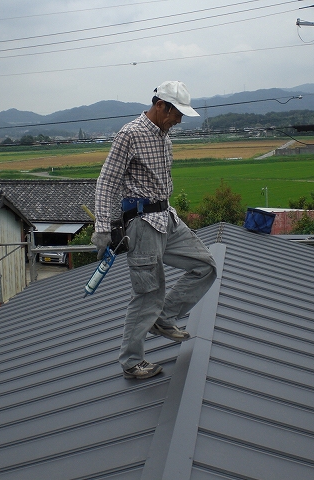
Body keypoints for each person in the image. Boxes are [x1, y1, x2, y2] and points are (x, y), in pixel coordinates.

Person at [92, 80, 217, 380]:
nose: (179, 120)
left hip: (167, 217)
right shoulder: (130, 134)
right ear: (160, 105)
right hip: (142, 223)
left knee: (205, 266)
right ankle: (131, 361)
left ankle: (163, 317)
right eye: (176, 113)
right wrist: (102, 228)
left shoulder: (164, 135)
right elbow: (106, 182)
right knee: (148, 292)